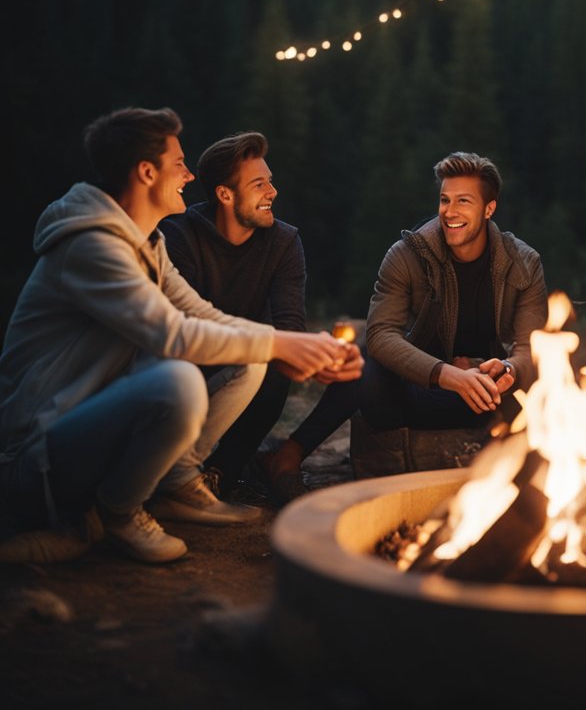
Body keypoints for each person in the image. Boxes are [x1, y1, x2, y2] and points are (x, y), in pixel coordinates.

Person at [0, 107, 361, 565]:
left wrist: (306, 346)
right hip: (35, 455)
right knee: (178, 380)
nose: (190, 176)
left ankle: (164, 487)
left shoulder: (147, 243)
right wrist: (283, 344)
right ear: (147, 172)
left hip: (84, 440)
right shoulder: (92, 247)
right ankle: (119, 512)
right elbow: (172, 332)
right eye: (179, 164)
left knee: (244, 359)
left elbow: (202, 313)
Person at [160, 131, 313, 500]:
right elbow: (183, 329)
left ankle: (220, 475)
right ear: (225, 195)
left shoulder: (283, 242)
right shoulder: (179, 236)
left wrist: (310, 356)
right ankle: (167, 469)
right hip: (185, 368)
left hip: (248, 365)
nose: (272, 192)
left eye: (270, 182)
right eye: (259, 184)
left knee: (277, 361)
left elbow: (291, 324)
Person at [354, 152, 548, 441]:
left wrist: (508, 369)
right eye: (445, 200)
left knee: (542, 389)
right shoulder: (406, 255)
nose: (449, 211)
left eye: (463, 201)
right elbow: (381, 334)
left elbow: (531, 348)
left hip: (489, 395)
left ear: (488, 208)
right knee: (366, 369)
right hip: (422, 389)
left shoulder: (524, 263)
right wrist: (448, 375)